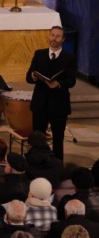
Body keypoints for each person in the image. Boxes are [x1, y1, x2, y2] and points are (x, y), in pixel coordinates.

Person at [26, 26, 77, 160]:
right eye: (52, 35)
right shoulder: (39, 54)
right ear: (49, 36)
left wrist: (59, 84)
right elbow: (28, 77)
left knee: (58, 139)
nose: (54, 38)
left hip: (59, 104)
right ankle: (36, 163)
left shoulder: (69, 58)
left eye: (58, 36)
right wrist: (33, 76)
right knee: (37, 138)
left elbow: (71, 80)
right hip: (40, 103)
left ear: (63, 39)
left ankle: (57, 166)